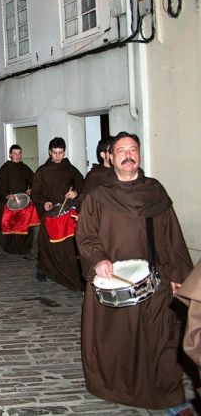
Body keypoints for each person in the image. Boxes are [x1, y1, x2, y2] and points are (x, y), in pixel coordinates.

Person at [76, 132, 194, 414]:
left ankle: (170, 398)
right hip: (114, 282)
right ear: (110, 157)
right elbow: (86, 236)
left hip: (157, 279)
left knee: (163, 337)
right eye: (121, 151)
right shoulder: (97, 195)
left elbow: (172, 236)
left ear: (139, 154)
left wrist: (179, 274)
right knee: (116, 340)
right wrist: (98, 259)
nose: (128, 155)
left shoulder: (155, 191)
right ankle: (113, 386)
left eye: (133, 149)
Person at [31, 137, 84, 289]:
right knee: (46, 242)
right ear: (50, 152)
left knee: (66, 243)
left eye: (60, 153)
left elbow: (81, 182)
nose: (58, 156)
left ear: (64, 152)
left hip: (66, 210)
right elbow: (36, 192)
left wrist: (75, 192)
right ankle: (43, 268)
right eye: (55, 153)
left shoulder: (70, 168)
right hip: (49, 211)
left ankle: (66, 269)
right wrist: (44, 202)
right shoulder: (42, 171)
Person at [0, 144, 35, 255]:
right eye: (15, 153)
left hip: (23, 201)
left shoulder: (24, 167)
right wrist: (6, 195)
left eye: (19, 153)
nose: (17, 155)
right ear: (10, 155)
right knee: (10, 225)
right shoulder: (5, 168)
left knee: (25, 225)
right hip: (10, 202)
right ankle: (11, 248)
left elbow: (34, 180)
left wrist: (31, 189)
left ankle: (24, 248)